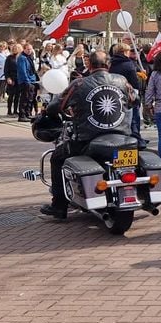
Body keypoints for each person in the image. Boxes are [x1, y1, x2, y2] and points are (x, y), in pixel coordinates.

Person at [38, 51, 135, 219]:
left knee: (56, 158)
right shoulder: (122, 81)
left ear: (89, 65)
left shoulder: (79, 84)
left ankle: (59, 206)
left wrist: (48, 110)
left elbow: (57, 105)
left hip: (87, 140)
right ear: (109, 65)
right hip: (122, 137)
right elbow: (134, 100)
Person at [109, 43, 144, 144]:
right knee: (133, 118)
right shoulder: (129, 64)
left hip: (114, 93)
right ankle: (136, 139)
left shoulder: (110, 63)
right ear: (124, 52)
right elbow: (135, 83)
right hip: (128, 95)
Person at [15, 43, 39, 121]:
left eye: (31, 49)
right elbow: (23, 71)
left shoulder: (29, 57)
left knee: (30, 99)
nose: (29, 51)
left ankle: (28, 113)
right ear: (24, 49)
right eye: (28, 49)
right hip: (25, 81)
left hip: (32, 80)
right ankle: (22, 115)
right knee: (25, 98)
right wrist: (27, 81)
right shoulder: (22, 58)